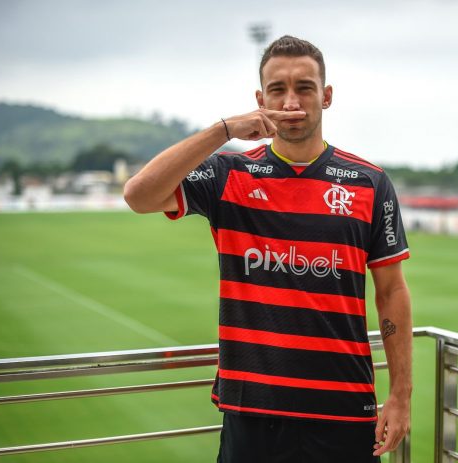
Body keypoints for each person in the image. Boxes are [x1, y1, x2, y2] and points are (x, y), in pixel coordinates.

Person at [124, 35, 412, 462]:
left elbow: (392, 292)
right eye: (278, 89)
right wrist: (224, 131)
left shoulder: (369, 183)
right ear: (260, 99)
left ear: (326, 96)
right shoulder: (229, 174)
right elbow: (138, 195)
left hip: (344, 410)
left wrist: (401, 395)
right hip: (253, 409)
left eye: (305, 87)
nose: (291, 102)